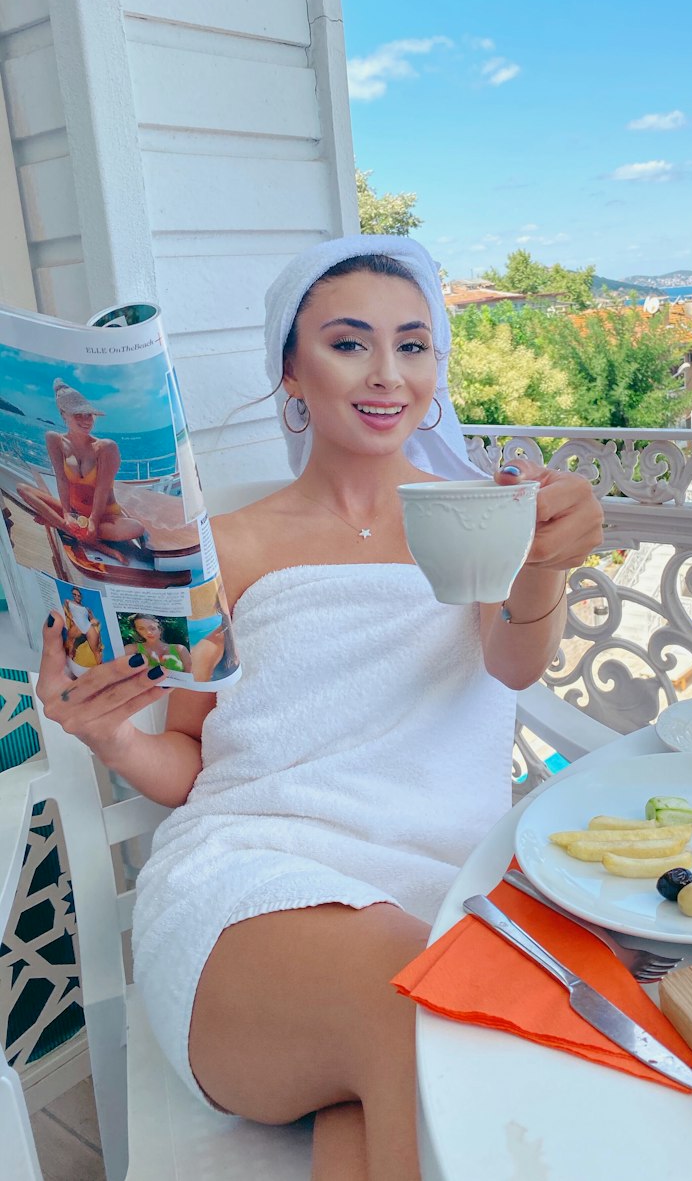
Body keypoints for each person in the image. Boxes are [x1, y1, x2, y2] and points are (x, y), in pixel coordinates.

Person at [35, 235, 604, 1181]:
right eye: (350, 344)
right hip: (249, 887)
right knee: (415, 1000)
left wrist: (541, 562)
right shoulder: (225, 549)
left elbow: (513, 665)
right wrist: (107, 735)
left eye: (414, 345)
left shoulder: (475, 510)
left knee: (388, 1081)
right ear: (292, 372)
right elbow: (189, 766)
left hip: (443, 883)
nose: (388, 375)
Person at [16, 379, 145, 548]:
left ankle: (68, 528)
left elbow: (102, 488)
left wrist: (93, 521)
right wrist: (67, 514)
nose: (86, 420)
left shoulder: (105, 447)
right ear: (63, 414)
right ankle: (69, 528)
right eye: (78, 415)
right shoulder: (54, 439)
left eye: (88, 415)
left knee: (136, 528)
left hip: (105, 517)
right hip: (75, 513)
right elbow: (61, 479)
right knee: (22, 489)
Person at [125, 612, 193, 674]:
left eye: (152, 628)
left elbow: (191, 676)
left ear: (160, 629)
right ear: (137, 631)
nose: (148, 632)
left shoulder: (180, 649)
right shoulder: (132, 649)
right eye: (141, 629)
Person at [62, 586, 104, 671]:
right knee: (70, 646)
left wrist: (95, 622)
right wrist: (70, 620)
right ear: (72, 595)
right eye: (75, 595)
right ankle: (68, 669)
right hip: (76, 625)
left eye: (78, 595)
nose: (77, 597)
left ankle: (100, 670)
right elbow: (66, 612)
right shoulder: (68, 601)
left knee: (96, 651)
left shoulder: (87, 609)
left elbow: (93, 619)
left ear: (81, 596)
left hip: (87, 626)